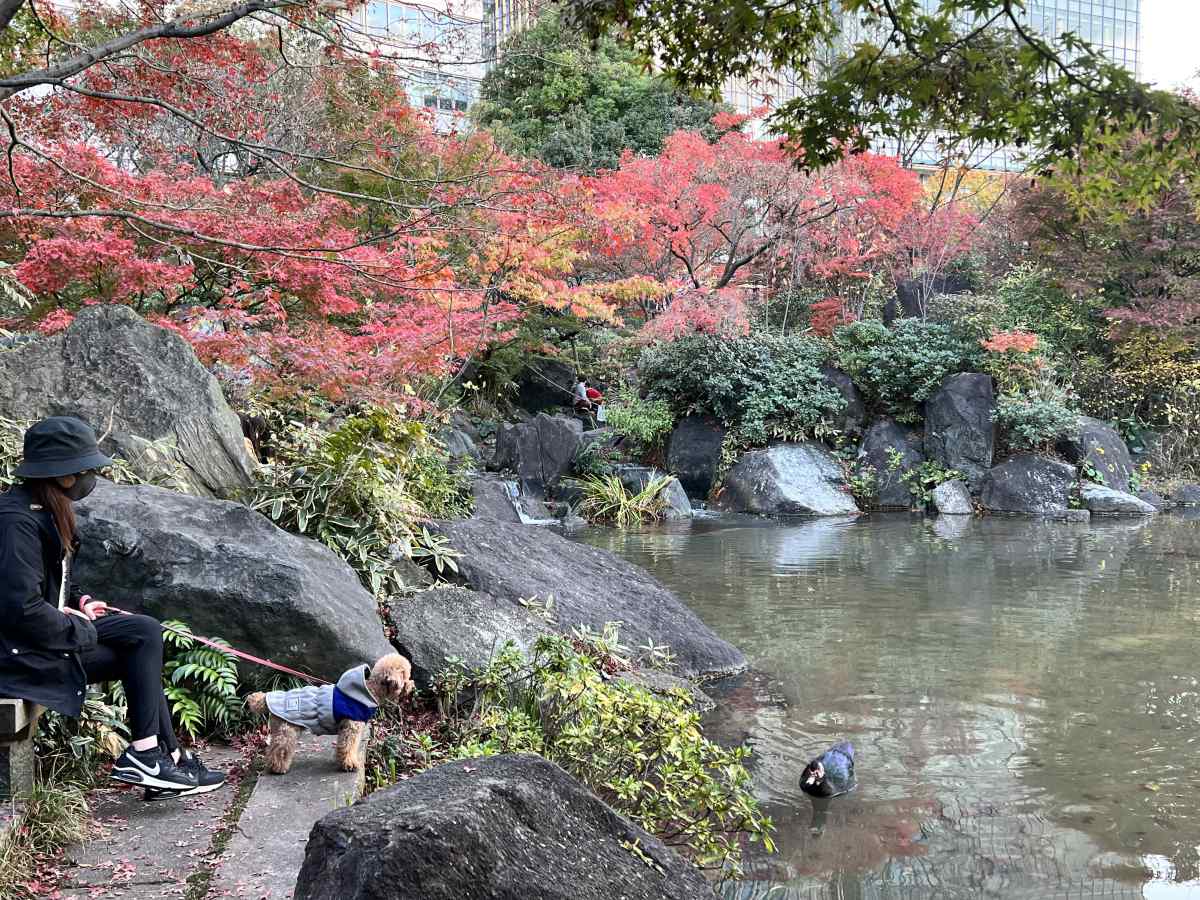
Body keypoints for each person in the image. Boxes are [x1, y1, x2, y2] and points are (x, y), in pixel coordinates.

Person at [0, 416, 226, 801]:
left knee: (142, 631)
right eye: (86, 470)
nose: (91, 478)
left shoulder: (41, 509)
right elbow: (19, 609)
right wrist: (82, 628)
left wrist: (80, 602)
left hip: (44, 635)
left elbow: (50, 582)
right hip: (15, 654)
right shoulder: (15, 522)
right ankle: (150, 756)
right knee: (137, 644)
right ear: (63, 476)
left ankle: (160, 755)